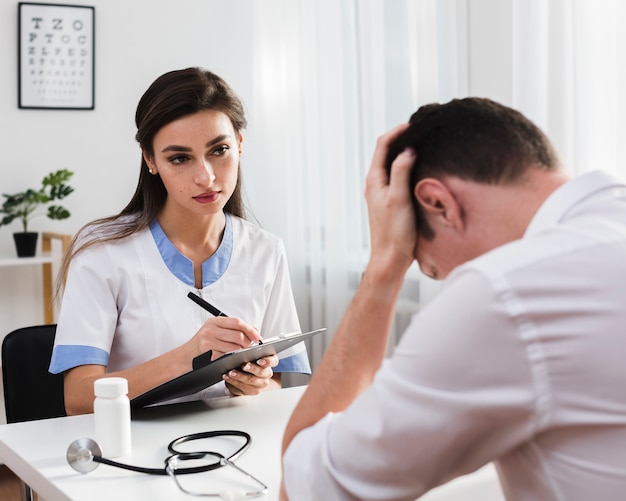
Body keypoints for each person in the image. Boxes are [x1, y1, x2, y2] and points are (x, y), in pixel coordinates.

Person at [281, 97, 626, 500]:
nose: (447, 283)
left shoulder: (503, 292)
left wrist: (385, 264)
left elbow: (310, 486)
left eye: (432, 270)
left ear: (438, 203)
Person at [49, 67, 310, 415]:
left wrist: (252, 384)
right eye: (180, 158)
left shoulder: (266, 250)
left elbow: (273, 381)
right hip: (130, 452)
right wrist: (188, 358)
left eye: (219, 150)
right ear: (150, 160)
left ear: (240, 144)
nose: (206, 177)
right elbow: (79, 400)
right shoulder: (100, 252)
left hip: (231, 446)